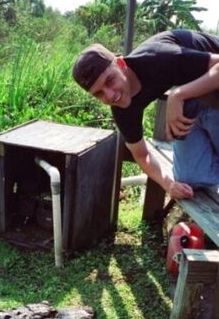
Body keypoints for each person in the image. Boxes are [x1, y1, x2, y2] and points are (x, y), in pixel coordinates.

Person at [72, 30, 219, 200]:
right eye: (99, 93)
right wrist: (168, 184)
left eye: (110, 80)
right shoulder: (121, 108)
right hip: (194, 103)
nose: (110, 95)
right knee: (190, 178)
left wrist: (178, 95)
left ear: (121, 63)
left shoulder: (158, 57)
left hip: (211, 87)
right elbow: (142, 154)